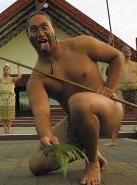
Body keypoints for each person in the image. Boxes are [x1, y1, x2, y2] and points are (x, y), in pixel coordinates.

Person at [26, 11, 124, 185]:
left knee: (77, 101)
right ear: (28, 36)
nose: (40, 33)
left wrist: (109, 88)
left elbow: (117, 56)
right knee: (36, 165)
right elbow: (41, 111)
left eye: (44, 27)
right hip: (77, 121)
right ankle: (91, 148)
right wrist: (47, 135)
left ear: (54, 30)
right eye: (33, 29)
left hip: (109, 110)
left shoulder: (81, 44)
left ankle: (92, 162)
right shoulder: (36, 79)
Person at [0, 63, 21, 133]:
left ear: (10, 71)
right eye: (4, 70)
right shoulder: (1, 79)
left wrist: (18, 68)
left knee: (10, 115)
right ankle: (5, 128)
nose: (6, 71)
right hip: (2, 98)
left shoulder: (12, 79)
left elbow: (19, 77)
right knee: (3, 115)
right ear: (3, 71)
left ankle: (9, 128)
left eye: (7, 69)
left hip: (10, 98)